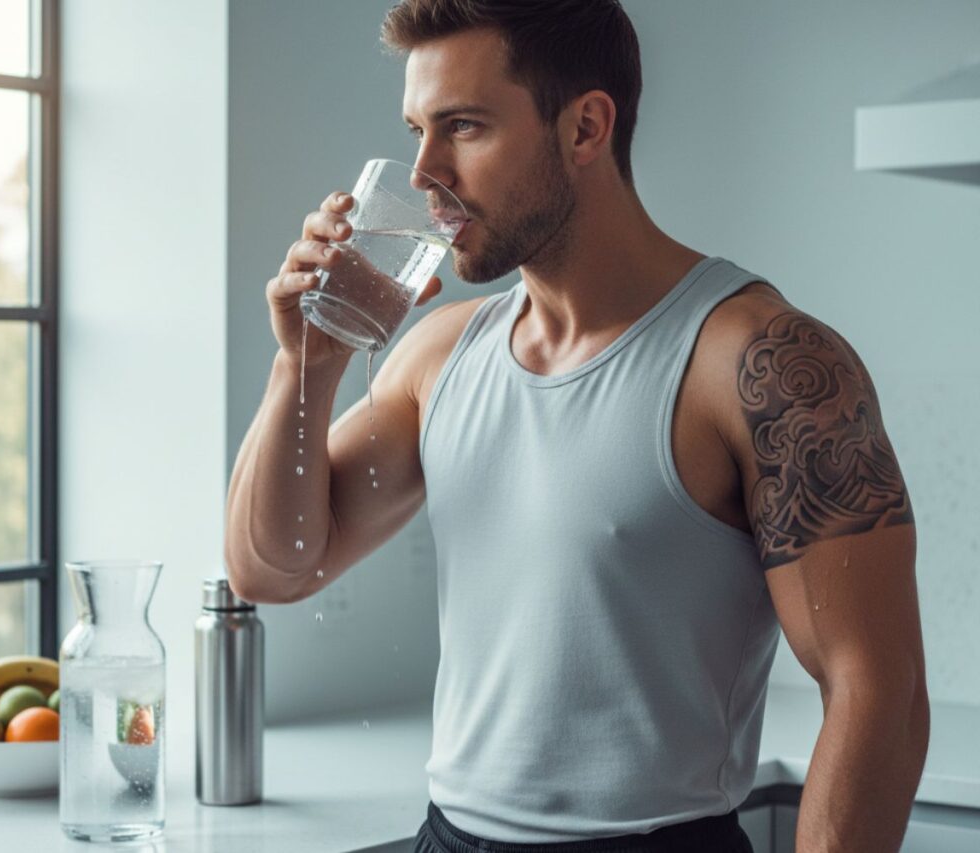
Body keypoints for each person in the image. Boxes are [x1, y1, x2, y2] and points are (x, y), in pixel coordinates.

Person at [225, 1, 930, 851]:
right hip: (446, 837)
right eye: (416, 129)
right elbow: (273, 567)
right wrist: (306, 362)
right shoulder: (444, 352)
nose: (423, 173)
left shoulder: (760, 363)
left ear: (586, 127)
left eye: (463, 127)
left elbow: (875, 690)